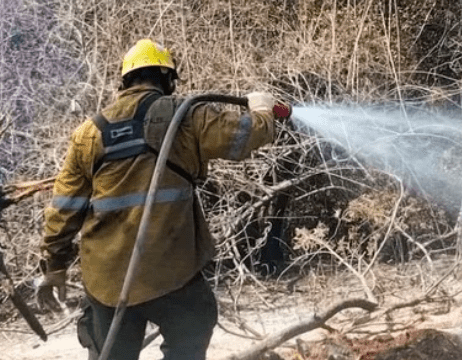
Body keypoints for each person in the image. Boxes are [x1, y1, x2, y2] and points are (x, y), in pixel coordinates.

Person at [36, 38, 285, 360]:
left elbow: (64, 207)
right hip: (171, 268)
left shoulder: (88, 133)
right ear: (168, 79)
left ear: (124, 80)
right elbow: (244, 137)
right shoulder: (187, 115)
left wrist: (54, 266)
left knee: (111, 352)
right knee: (193, 327)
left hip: (107, 278)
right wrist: (262, 109)